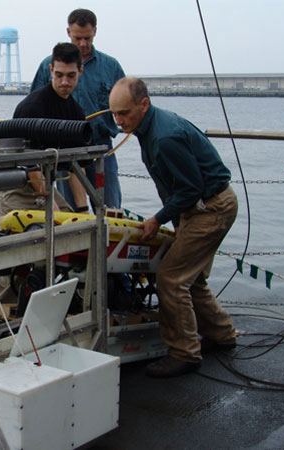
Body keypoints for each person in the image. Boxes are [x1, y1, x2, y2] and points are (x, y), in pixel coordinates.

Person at [109, 77, 238, 378]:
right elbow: (174, 186)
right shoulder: (146, 128)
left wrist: (158, 218)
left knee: (171, 277)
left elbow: (190, 188)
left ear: (144, 104)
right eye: (114, 114)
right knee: (192, 280)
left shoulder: (164, 137)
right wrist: (179, 221)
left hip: (211, 208)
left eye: (124, 113)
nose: (119, 121)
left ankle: (184, 353)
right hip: (199, 208)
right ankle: (223, 335)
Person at [30, 8, 125, 210]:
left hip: (100, 148)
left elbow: (126, 103)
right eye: (77, 38)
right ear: (68, 33)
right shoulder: (47, 64)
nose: (83, 44)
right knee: (70, 210)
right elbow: (32, 112)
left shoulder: (111, 66)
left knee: (109, 207)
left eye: (87, 38)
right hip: (62, 148)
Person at [0, 42, 89, 215]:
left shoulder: (76, 112)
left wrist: (83, 210)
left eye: (71, 76)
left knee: (73, 226)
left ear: (80, 71)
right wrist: (52, 208)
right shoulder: (32, 108)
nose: (64, 82)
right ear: (50, 70)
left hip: (46, 184)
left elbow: (77, 166)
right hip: (16, 185)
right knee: (27, 232)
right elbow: (29, 163)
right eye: (59, 75)